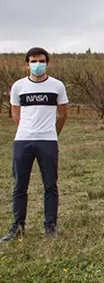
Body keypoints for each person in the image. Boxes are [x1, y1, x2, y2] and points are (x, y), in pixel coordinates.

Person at [1, 47, 68, 242]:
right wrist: (26, 130)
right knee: (19, 186)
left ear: (47, 63)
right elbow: (15, 113)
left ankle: (50, 227)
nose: (36, 64)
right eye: (33, 61)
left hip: (48, 141)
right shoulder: (18, 87)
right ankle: (17, 227)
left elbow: (62, 114)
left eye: (40, 61)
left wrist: (52, 133)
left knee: (50, 185)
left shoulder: (57, 86)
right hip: (22, 141)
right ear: (27, 64)